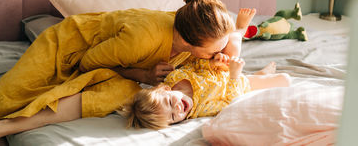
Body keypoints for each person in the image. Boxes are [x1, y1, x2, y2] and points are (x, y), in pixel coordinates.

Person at [0, 0, 251, 146]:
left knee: (120, 94)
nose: (219, 51)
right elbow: (89, 62)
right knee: (10, 95)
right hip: (71, 47)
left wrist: (237, 33)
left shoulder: (191, 38)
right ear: (191, 43)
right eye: (214, 48)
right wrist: (145, 74)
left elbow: (231, 45)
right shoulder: (143, 38)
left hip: (113, 65)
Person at [121, 57, 291, 129]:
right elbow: (230, 101)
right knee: (285, 80)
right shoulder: (200, 109)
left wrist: (212, 62)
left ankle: (259, 73)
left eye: (171, 103)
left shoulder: (175, 77)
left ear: (165, 89)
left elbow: (196, 65)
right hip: (240, 84)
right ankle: (260, 76)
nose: (179, 109)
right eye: (173, 117)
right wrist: (234, 75)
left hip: (223, 71)